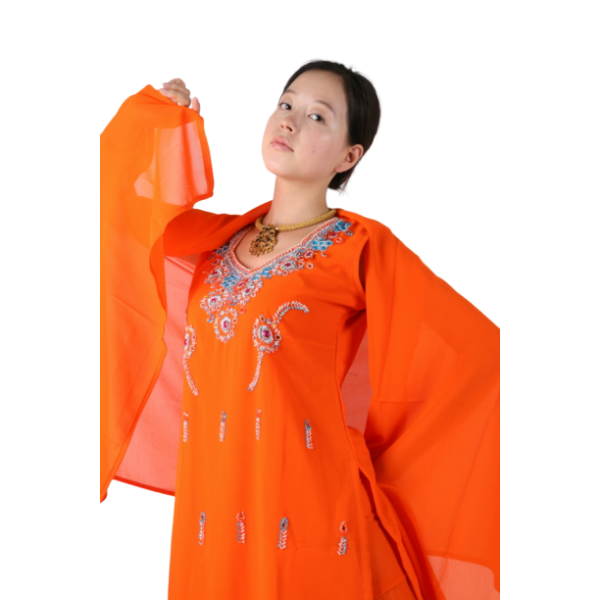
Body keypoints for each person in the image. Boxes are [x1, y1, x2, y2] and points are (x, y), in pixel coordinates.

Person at [100, 58, 500, 600]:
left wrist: (391, 452)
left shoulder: (359, 247)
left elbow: (476, 352)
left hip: (313, 516)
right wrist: (161, 124)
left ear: (349, 156)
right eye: (286, 104)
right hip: (212, 514)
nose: (289, 120)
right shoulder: (214, 241)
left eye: (317, 116)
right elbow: (121, 219)